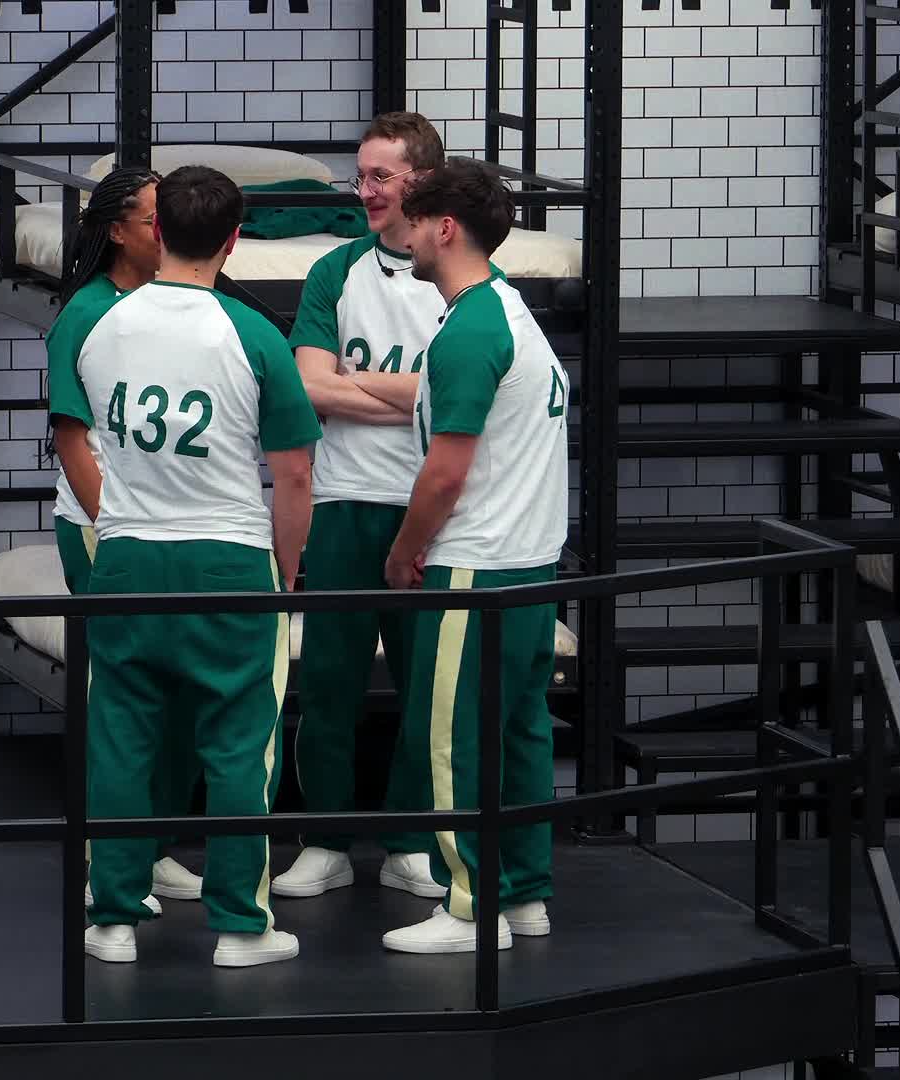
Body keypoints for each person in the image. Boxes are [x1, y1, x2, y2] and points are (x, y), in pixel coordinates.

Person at [50, 164, 323, 967]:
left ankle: (112, 920)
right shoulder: (253, 332)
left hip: (126, 555)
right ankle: (240, 925)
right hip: (227, 557)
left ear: (159, 229)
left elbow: (78, 437)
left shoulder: (97, 324)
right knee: (238, 745)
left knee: (120, 741)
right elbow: (295, 475)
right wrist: (286, 569)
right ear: (234, 239)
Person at [360, 159, 568, 954]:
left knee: (451, 740)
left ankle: (470, 908)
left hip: (475, 566)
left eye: (414, 221)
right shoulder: (506, 312)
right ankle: (524, 895)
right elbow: (438, 397)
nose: (404, 234)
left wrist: (404, 552)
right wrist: (360, 379)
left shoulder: (471, 330)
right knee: (520, 736)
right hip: (530, 564)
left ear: (444, 229)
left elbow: (445, 474)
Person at [272, 112, 450, 901]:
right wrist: (414, 396)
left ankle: (413, 841)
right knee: (330, 684)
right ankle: (326, 840)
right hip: (344, 502)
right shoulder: (334, 272)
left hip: (430, 506)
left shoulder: (458, 274)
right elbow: (308, 386)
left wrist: (358, 386)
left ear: (422, 180)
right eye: (361, 175)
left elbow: (463, 394)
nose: (364, 190)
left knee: (424, 687)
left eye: (381, 176)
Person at [45, 167, 202, 913]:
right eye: (152, 219)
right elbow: (71, 441)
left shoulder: (177, 303)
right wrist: (117, 530)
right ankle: (104, 861)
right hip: (105, 530)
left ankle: (154, 847)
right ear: (116, 232)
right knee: (119, 700)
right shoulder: (85, 315)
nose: (166, 230)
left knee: (178, 698)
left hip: (170, 531)